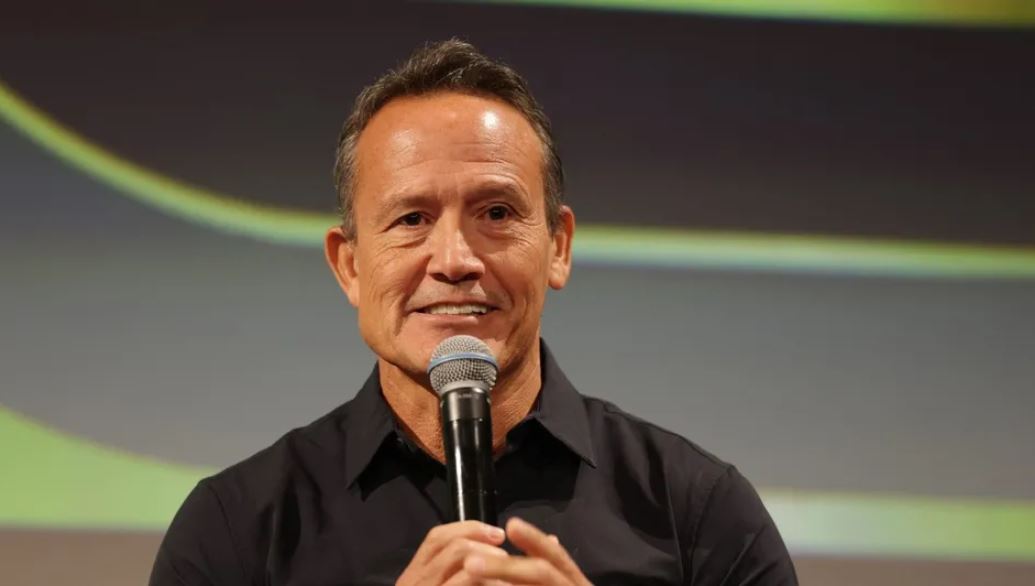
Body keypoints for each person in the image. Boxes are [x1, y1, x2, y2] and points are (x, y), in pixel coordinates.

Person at [150, 39, 797, 585]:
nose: (455, 259)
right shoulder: (235, 531)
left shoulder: (697, 514)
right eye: (411, 219)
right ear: (349, 266)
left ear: (558, 247)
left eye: (495, 213)